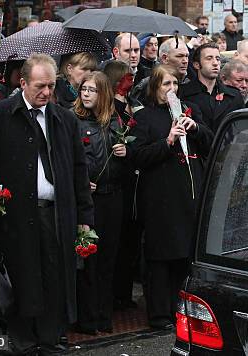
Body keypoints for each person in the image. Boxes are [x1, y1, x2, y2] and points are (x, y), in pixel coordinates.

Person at [0, 53, 93, 355]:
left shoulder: (64, 118)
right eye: (40, 86)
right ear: (23, 82)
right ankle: (23, 341)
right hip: (15, 215)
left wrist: (84, 216)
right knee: (23, 276)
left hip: (56, 212)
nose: (47, 93)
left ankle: (50, 339)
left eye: (52, 86)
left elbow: (79, 170)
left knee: (56, 277)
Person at [130, 65, 213, 330]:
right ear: (155, 88)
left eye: (175, 84)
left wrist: (196, 128)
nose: (172, 89)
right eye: (166, 84)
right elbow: (138, 156)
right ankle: (159, 314)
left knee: (184, 256)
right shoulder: (146, 118)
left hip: (190, 193)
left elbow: (210, 142)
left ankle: (183, 311)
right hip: (161, 197)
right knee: (161, 258)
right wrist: (166, 142)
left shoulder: (191, 111)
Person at [73, 71, 126, 335]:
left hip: (111, 198)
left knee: (108, 260)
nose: (86, 94)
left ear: (103, 93)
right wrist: (82, 184)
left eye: (92, 90)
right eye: (84, 89)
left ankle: (104, 316)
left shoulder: (115, 123)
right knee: (88, 260)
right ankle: (88, 317)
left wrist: (125, 154)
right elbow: (70, 161)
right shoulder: (74, 121)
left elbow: (126, 168)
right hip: (89, 200)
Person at [104, 60, 144, 312]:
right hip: (117, 182)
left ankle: (124, 292)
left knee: (130, 242)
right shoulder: (111, 109)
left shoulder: (132, 105)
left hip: (133, 181)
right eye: (126, 79)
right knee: (117, 243)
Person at [179, 43, 244, 133]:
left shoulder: (234, 95)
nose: (215, 63)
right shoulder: (183, 93)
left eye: (217, 59)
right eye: (209, 58)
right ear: (197, 65)